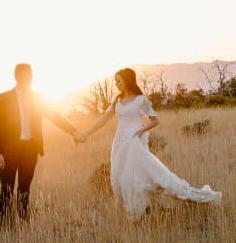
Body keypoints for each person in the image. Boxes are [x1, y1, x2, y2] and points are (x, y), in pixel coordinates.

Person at [77, 67, 222, 219]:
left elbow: (155, 120)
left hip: (134, 142)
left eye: (119, 81)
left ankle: (144, 211)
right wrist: (86, 134)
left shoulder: (141, 100)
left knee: (137, 176)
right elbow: (103, 120)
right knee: (119, 177)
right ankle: (139, 211)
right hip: (119, 143)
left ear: (127, 80)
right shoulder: (117, 101)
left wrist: (140, 131)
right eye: (115, 81)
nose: (117, 84)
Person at [0, 63, 82, 226]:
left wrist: (73, 131)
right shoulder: (3, 98)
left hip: (30, 149)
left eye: (29, 75)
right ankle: (3, 226)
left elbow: (54, 116)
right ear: (16, 76)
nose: (27, 79)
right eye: (23, 75)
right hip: (8, 151)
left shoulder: (38, 97)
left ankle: (22, 222)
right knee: (6, 188)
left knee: (25, 187)